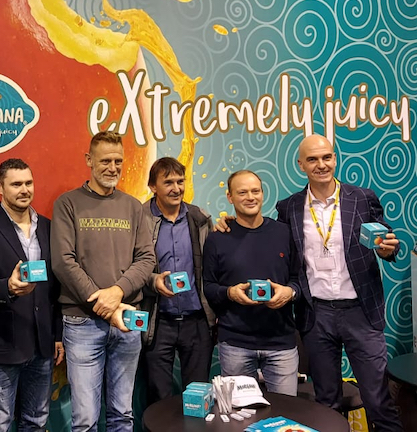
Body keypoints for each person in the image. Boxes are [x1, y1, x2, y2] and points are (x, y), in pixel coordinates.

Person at [276, 134, 402, 431]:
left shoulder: (362, 198)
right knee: (326, 403)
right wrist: (231, 225)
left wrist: (388, 250)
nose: (321, 164)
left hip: (360, 311)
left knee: (378, 400)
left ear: (334, 158)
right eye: (312, 159)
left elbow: (385, 240)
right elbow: (276, 249)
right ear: (301, 165)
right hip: (316, 314)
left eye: (326, 157)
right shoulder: (289, 207)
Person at [51, 131, 157, 432]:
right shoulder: (67, 204)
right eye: (105, 161)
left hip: (128, 321)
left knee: (123, 414)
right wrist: (105, 304)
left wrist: (117, 292)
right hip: (82, 323)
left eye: (118, 161)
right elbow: (63, 261)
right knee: (85, 419)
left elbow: (146, 259)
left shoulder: (133, 206)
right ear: (89, 160)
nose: (113, 168)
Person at [0, 158, 62, 431]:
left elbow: (55, 288)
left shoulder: (48, 227)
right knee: (1, 424)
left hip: (42, 346)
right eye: (16, 184)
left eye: (28, 183)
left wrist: (57, 335)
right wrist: (7, 287)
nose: (24, 190)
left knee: (37, 421)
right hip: (2, 346)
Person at [203, 170, 300, 395]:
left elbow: (299, 280)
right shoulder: (217, 238)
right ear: (230, 197)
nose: (250, 197)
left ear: (262, 194)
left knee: (286, 412)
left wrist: (290, 292)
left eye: (255, 191)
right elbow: (208, 286)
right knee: (240, 413)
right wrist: (230, 293)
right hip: (235, 344)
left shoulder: (284, 233)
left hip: (281, 343)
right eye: (242, 192)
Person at [140, 157, 215, 406]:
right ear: (153, 186)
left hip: (196, 321)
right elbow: (129, 267)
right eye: (168, 182)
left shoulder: (200, 218)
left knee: (198, 396)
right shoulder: (139, 219)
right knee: (158, 398)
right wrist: (153, 281)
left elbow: (213, 265)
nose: (176, 188)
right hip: (157, 322)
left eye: (180, 181)